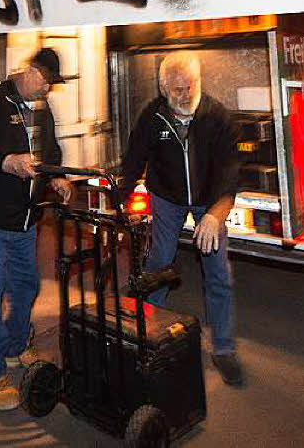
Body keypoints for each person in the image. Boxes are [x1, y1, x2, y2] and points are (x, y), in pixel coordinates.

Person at [116, 50, 244, 386]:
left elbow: (230, 171)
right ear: (163, 90)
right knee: (158, 264)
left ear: (199, 82)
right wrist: (118, 206)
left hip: (208, 198)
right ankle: (143, 336)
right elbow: (133, 163)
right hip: (167, 198)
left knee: (217, 272)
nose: (184, 95)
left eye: (189, 87)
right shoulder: (152, 116)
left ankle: (223, 348)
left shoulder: (217, 117)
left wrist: (216, 215)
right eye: (176, 90)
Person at [0, 48, 74, 410]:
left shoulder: (42, 112)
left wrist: (58, 179)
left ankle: (14, 346)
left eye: (51, 85)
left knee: (26, 286)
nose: (46, 91)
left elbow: (51, 154)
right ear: (30, 72)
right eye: (45, 82)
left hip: (25, 219)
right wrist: (6, 161)